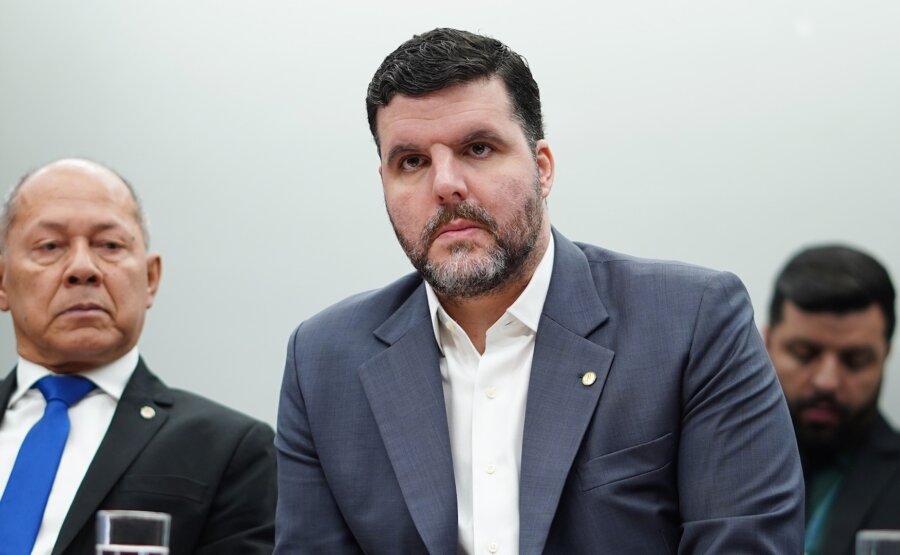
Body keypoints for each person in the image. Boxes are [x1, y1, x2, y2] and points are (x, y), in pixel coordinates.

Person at [275, 28, 803, 554]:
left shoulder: (692, 321)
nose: (446, 185)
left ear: (542, 168)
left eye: (478, 148)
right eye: (411, 162)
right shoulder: (323, 360)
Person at [0, 159, 276, 555]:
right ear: (2, 282)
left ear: (150, 278)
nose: (82, 268)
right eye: (50, 246)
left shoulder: (229, 449)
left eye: (109, 245)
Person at [765, 245, 899, 555]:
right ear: (766, 342)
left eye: (855, 360)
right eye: (804, 354)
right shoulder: (708, 468)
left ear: (886, 355)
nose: (827, 381)